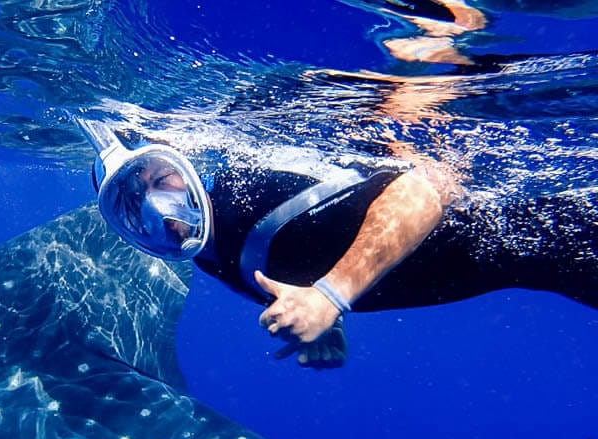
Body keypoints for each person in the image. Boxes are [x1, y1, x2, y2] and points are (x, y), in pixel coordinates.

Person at [77, 119, 598, 368]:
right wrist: (322, 314)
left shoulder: (253, 195)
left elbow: (426, 187)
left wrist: (331, 296)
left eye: (161, 180)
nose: (159, 212)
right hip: (541, 265)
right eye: (131, 206)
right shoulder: (213, 258)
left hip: (561, 227)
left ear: (185, 163)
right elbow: (312, 255)